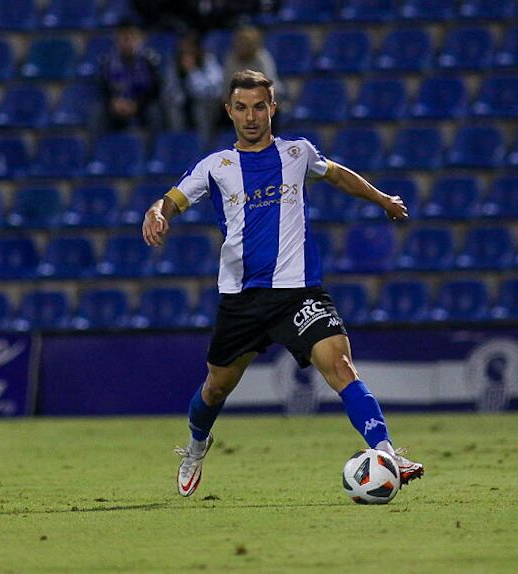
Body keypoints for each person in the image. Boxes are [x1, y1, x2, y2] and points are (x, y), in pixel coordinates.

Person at [141, 70, 424, 497]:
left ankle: (386, 452)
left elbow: (337, 174)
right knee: (216, 387)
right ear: (229, 111)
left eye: (259, 106)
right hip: (242, 298)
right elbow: (173, 198)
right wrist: (157, 212)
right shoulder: (215, 166)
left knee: (341, 367)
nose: (251, 116)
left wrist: (382, 199)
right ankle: (198, 444)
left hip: (299, 293)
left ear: (272, 107)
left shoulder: (297, 152)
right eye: (242, 107)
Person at [163, 32, 225, 147]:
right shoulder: (174, 65)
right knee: (173, 110)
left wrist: (192, 71)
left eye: (190, 47)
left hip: (207, 103)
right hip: (183, 103)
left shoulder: (208, 61)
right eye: (183, 47)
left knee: (200, 109)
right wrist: (179, 98)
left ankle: (204, 146)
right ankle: (180, 146)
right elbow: (169, 90)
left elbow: (214, 89)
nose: (186, 51)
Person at [98, 19, 162, 131]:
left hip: (143, 104)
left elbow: (155, 89)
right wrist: (113, 102)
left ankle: (156, 147)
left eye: (132, 37)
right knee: (97, 112)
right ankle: (101, 147)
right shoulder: (108, 60)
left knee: (154, 112)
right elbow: (104, 87)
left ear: (140, 39)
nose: (128, 41)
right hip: (118, 103)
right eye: (123, 37)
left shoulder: (150, 59)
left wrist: (137, 104)